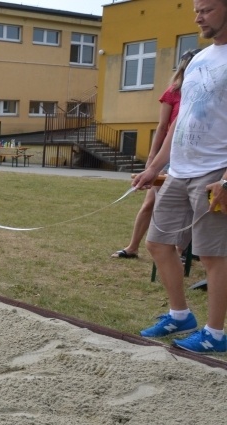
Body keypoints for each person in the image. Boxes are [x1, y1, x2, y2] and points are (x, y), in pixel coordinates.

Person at [132, 0, 227, 353]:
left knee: (214, 255)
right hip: (180, 169)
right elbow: (181, 121)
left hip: (215, 170)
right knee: (157, 242)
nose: (198, 16)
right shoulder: (200, 60)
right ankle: (179, 314)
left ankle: (215, 334)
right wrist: (155, 167)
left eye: (207, 9)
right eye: (196, 10)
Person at [111, 49, 200, 259]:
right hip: (169, 157)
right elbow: (162, 128)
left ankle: (181, 251)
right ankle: (132, 247)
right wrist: (152, 161)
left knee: (190, 208)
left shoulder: (206, 93)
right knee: (150, 203)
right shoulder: (173, 92)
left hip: (196, 158)